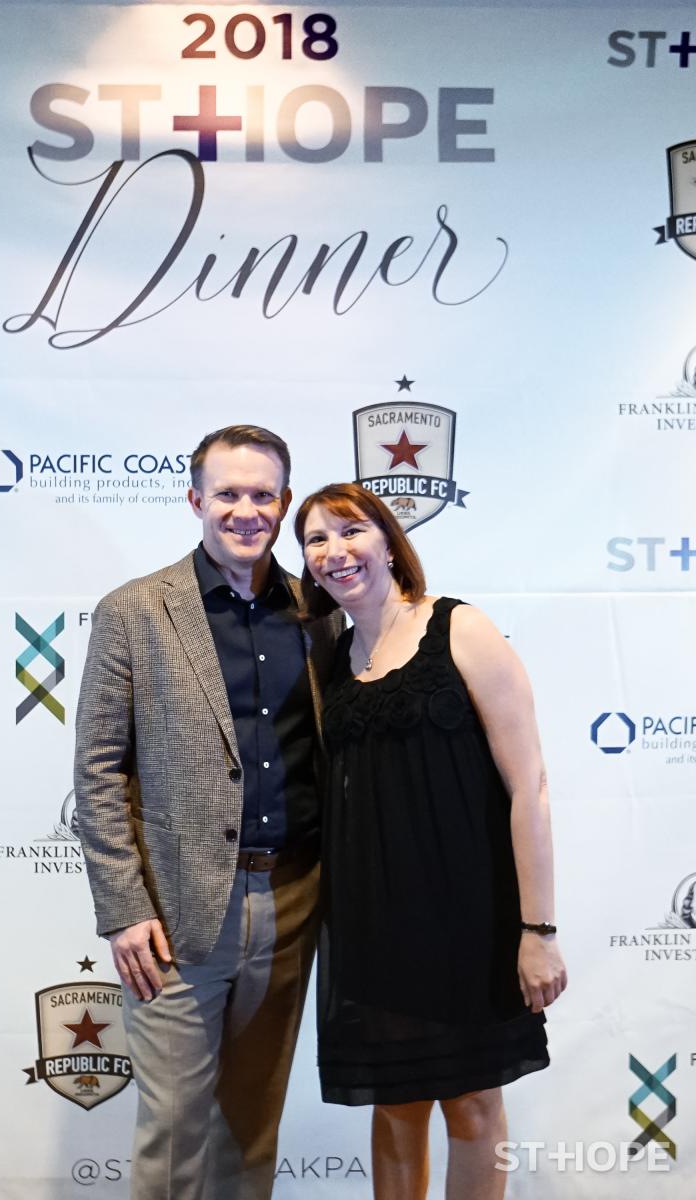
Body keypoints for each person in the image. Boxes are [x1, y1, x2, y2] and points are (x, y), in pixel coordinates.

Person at [74, 425, 342, 1200]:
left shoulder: (320, 612)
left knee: (252, 1127)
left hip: (293, 902)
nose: (245, 510)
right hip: (174, 911)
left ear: (284, 504)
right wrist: (124, 910)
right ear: (195, 499)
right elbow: (97, 772)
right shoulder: (134, 611)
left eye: (263, 495)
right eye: (228, 493)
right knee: (174, 1132)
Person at [294, 482, 567, 1200]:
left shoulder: (459, 627)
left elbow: (530, 787)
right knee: (395, 1107)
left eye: (351, 530)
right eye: (316, 539)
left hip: (469, 919)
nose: (334, 551)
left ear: (389, 542)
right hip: (371, 924)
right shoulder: (331, 657)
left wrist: (538, 930)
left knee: (472, 1105)